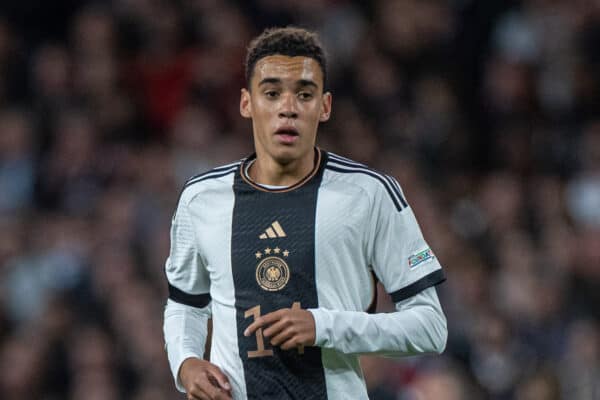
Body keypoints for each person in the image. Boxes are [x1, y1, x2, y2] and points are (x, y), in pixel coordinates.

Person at [163, 26, 447, 400]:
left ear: (324, 106)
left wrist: (323, 325)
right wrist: (186, 363)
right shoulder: (201, 199)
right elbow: (185, 305)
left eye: (305, 94)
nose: (288, 108)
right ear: (246, 103)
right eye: (272, 93)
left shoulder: (369, 194)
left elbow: (431, 328)